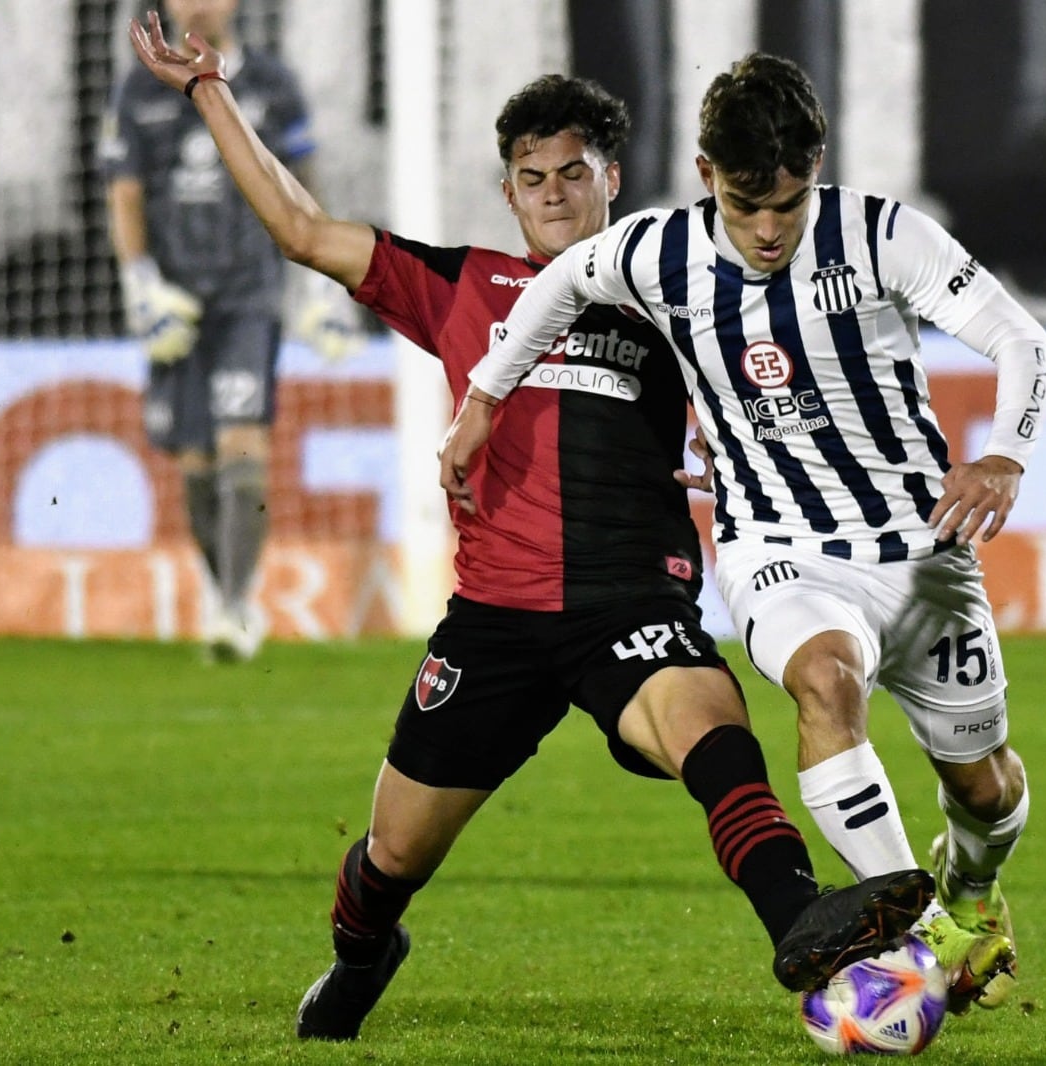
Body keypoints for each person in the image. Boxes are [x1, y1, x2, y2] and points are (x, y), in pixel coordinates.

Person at [126, 15, 934, 1044]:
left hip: (629, 606)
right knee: (391, 857)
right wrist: (208, 92)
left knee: (715, 736)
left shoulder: (676, 288)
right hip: (495, 623)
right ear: (508, 192)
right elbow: (302, 231)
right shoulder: (465, 287)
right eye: (531, 175)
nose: (552, 191)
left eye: (572, 171)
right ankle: (363, 953)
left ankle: (807, 931)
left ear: (611, 178)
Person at [443, 52, 1046, 1014]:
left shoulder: (880, 234)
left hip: (921, 551)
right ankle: (924, 938)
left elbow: (1022, 339)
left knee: (982, 785)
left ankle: (973, 894)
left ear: (817, 165)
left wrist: (1005, 455)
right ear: (704, 176)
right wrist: (484, 399)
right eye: (744, 207)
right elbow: (559, 283)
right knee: (824, 683)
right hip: (779, 548)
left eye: (787, 204)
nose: (768, 231)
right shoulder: (660, 250)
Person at [100, 0, 360, 662]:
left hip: (251, 291)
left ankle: (237, 607)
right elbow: (123, 189)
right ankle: (225, 595)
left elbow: (304, 178)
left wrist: (316, 276)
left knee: (243, 443)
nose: (198, 4)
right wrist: (139, 282)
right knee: (194, 461)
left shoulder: (272, 84)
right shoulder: (140, 84)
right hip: (178, 298)